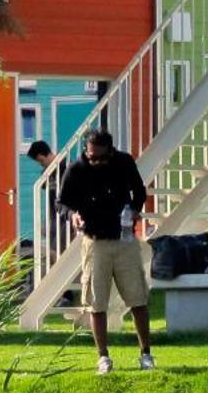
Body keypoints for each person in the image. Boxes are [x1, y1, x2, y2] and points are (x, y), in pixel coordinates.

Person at [57, 128, 153, 374]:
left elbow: (139, 192)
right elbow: (61, 202)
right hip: (94, 240)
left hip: (124, 239)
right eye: (91, 157)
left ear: (110, 151)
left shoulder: (123, 162)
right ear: (86, 152)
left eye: (101, 157)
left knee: (138, 298)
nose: (96, 162)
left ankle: (146, 354)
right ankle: (103, 357)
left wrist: (133, 209)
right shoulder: (78, 168)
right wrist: (73, 215)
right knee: (96, 302)